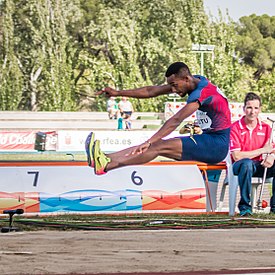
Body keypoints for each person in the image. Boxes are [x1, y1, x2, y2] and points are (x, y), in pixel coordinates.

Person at [85, 62, 231, 175]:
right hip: (208, 139)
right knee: (156, 145)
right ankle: (103, 158)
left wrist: (149, 141)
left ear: (186, 79)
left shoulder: (202, 93)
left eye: (174, 86)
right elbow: (151, 91)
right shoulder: (194, 81)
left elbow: (176, 120)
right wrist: (117, 93)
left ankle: (106, 165)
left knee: (156, 146)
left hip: (216, 146)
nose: (173, 90)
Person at [230, 92, 275, 216]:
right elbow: (237, 156)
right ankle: (245, 207)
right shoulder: (235, 128)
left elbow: (271, 149)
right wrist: (262, 150)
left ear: (260, 109)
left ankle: (274, 207)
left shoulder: (267, 128)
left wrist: (271, 156)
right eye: (249, 107)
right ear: (244, 109)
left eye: (256, 108)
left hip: (260, 165)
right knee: (246, 164)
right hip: (241, 166)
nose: (252, 111)